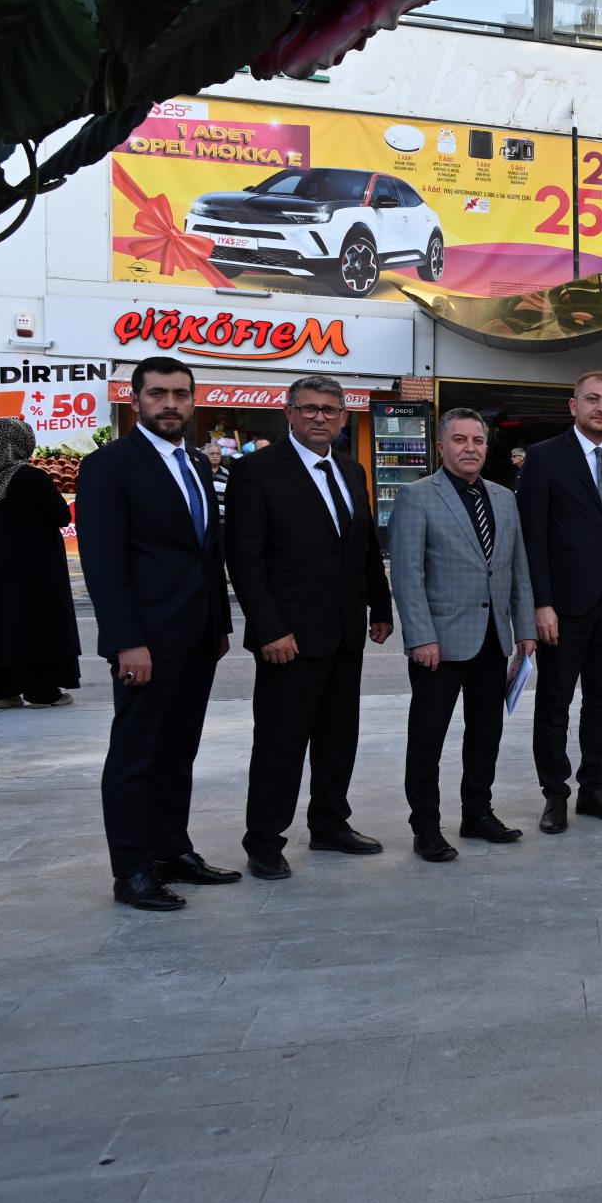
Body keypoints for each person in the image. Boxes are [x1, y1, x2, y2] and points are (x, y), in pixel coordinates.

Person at [77, 358, 237, 910]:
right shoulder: (109, 465)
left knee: (178, 752)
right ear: (136, 398)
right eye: (158, 394)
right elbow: (103, 562)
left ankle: (173, 851)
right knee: (135, 757)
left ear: (194, 401)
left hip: (197, 637)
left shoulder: (194, 460)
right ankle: (132, 870)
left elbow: (205, 553)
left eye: (181, 394)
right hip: (145, 641)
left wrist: (219, 624)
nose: (170, 404)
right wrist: (127, 640)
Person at [224, 376, 393, 878]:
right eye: (310, 409)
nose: (321, 417)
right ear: (289, 413)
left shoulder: (349, 468)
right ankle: (264, 840)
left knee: (339, 736)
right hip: (288, 638)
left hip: (344, 630)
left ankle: (329, 823)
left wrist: (380, 608)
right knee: (281, 742)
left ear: (343, 417)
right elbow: (245, 559)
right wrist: (270, 628)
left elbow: (361, 548)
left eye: (330, 410)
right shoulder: (256, 471)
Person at [389, 408, 538, 862]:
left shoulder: (504, 498)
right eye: (459, 440)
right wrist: (420, 637)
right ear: (441, 446)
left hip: (493, 638)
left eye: (477, 440)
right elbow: (408, 574)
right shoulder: (417, 497)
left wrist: (525, 631)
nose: (470, 447)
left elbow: (518, 571)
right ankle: (426, 827)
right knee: (428, 738)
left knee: (485, 734)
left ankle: (477, 813)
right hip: (439, 643)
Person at [518, 370, 602, 832]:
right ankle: (555, 794)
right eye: (593, 399)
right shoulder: (543, 458)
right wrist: (541, 603)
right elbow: (532, 537)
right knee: (555, 703)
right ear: (572, 405)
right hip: (563, 607)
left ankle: (592, 787)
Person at [0, 417, 81, 710]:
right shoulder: (32, 477)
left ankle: (4, 691)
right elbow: (62, 516)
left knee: (2, 622)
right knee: (38, 621)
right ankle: (42, 691)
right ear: (20, 442)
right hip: (36, 566)